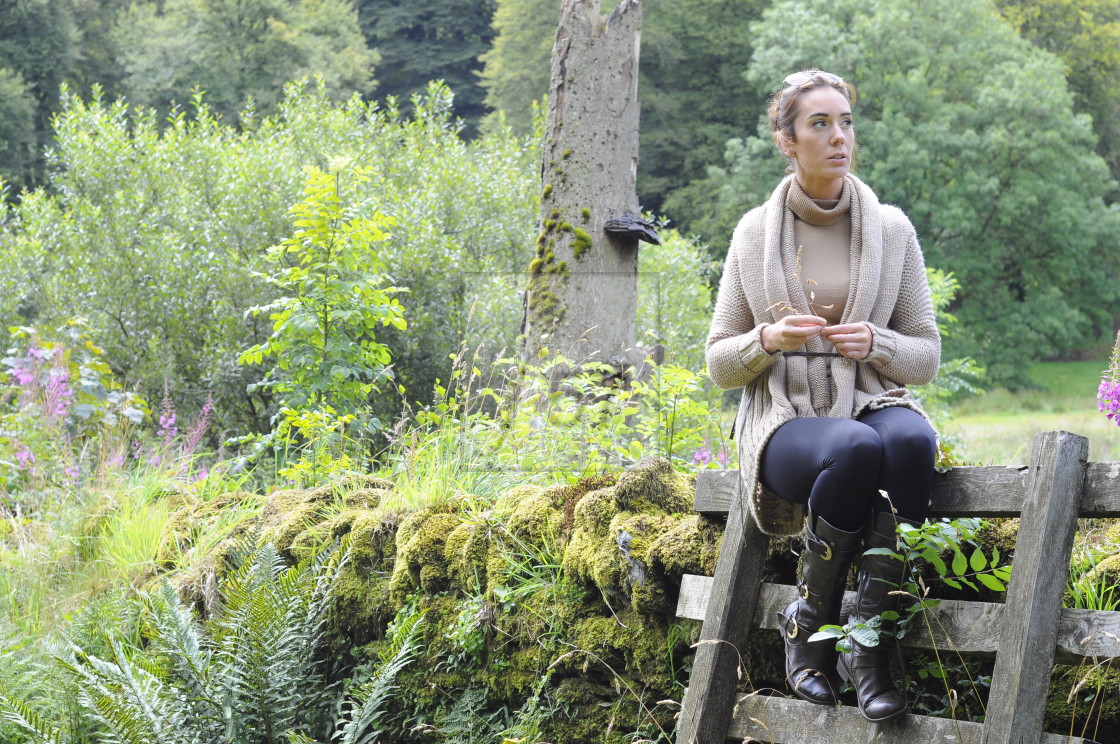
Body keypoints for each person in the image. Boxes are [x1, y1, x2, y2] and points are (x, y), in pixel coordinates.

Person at [705, 69, 941, 723]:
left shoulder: (893, 230)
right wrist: (768, 339)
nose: (839, 136)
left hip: (871, 399)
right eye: (820, 124)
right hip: (787, 422)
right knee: (854, 448)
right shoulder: (754, 234)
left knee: (912, 439)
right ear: (787, 140)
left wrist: (881, 346)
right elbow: (721, 364)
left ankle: (867, 650)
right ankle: (807, 632)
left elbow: (926, 356)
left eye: (846, 122)